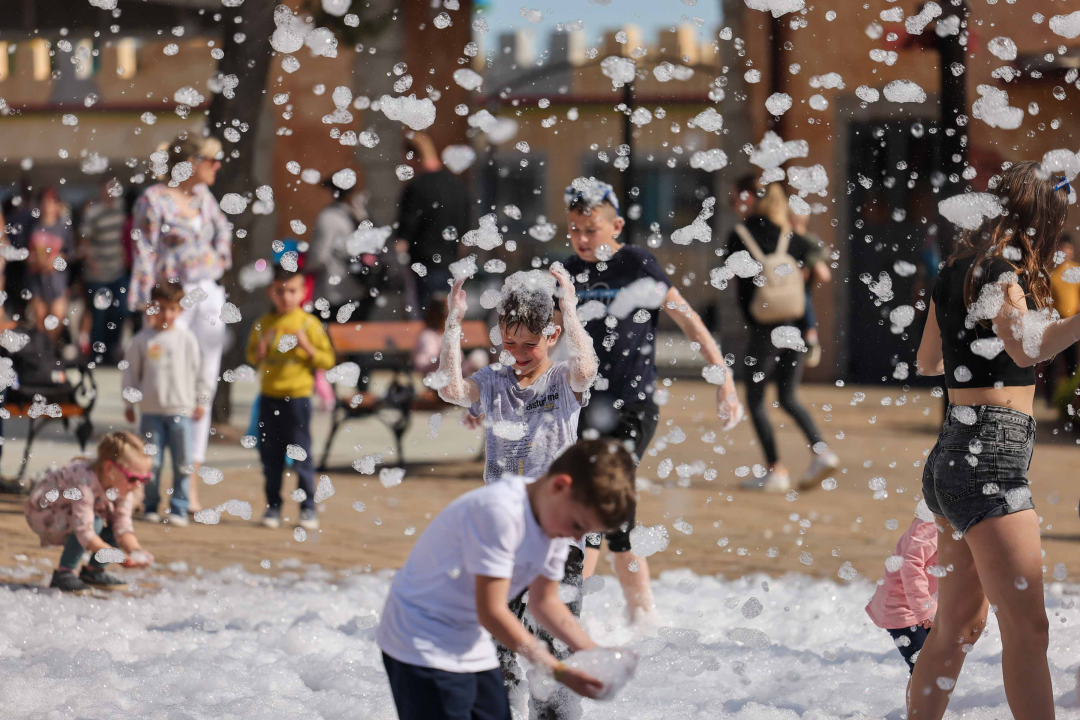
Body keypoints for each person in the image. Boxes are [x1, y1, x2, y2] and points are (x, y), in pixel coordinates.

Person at [911, 162, 1079, 720]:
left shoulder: (958, 267)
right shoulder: (1001, 271)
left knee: (961, 622)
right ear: (1040, 220)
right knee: (1028, 627)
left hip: (952, 457)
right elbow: (1030, 349)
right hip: (992, 461)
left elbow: (928, 360)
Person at [559, 178, 743, 621]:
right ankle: (641, 619)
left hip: (632, 406)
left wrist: (724, 377)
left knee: (594, 499)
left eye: (591, 229)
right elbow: (546, 341)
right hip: (583, 408)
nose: (582, 240)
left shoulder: (637, 264)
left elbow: (688, 319)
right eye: (574, 230)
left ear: (616, 225)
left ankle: (568, 615)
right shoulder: (566, 272)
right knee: (614, 513)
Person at [376, 438, 636, 720]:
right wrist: (556, 669)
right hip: (421, 639)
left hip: (468, 635)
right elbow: (492, 611)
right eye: (577, 527)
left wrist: (593, 653)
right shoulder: (500, 513)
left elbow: (545, 602)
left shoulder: (555, 523)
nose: (576, 538)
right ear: (560, 486)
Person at [130, 132, 230, 512]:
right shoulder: (153, 199)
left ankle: (189, 484)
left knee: (203, 383)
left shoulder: (205, 198)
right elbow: (142, 253)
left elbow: (222, 234)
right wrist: (147, 305)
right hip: (172, 300)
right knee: (160, 382)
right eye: (210, 159)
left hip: (207, 296)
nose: (217, 166)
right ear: (190, 162)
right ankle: (146, 481)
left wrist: (215, 264)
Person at [727, 180, 838, 494]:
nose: (733, 203)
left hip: (764, 329)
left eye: (734, 197)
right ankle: (823, 452)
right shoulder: (793, 238)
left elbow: (733, 281)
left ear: (749, 199)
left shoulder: (740, 235)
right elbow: (817, 273)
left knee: (754, 399)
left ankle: (775, 469)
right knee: (788, 396)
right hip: (796, 327)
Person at [247, 265, 335, 531]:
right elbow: (251, 356)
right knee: (270, 456)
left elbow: (327, 359)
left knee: (302, 455)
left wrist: (308, 348)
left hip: (297, 400)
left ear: (303, 292)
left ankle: (308, 508)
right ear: (270, 292)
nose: (285, 297)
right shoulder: (263, 323)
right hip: (268, 397)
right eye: (280, 291)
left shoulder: (308, 324)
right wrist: (260, 350)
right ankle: (273, 506)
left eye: (292, 291)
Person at [122, 282, 209, 526]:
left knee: (183, 463)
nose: (166, 314)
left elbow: (200, 373)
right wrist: (129, 403)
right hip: (150, 411)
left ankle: (179, 507)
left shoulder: (187, 339)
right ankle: (151, 505)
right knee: (153, 463)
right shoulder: (142, 340)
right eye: (160, 308)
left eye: (172, 309)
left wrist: (201, 400)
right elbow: (130, 374)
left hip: (181, 410)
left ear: (180, 310)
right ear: (150, 308)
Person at [24, 431, 155, 593]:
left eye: (145, 479)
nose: (138, 485)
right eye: (133, 478)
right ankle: (64, 573)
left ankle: (94, 572)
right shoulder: (84, 481)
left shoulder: (123, 487)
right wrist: (113, 555)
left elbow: (123, 525)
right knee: (96, 521)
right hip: (44, 513)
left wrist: (136, 550)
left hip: (73, 515)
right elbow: (84, 529)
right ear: (109, 469)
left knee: (110, 522)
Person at [395, 132, 472, 314]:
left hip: (422, 270)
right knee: (448, 322)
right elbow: (465, 237)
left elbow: (403, 238)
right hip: (452, 268)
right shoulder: (458, 186)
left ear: (411, 155)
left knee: (425, 323)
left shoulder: (416, 188)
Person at [865, 508, 938, 674]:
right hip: (902, 607)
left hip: (927, 603)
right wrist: (924, 608)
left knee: (937, 666)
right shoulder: (934, 520)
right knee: (924, 670)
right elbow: (910, 563)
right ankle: (920, 699)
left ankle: (934, 699)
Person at [309, 176, 384, 322]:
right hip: (360, 288)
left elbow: (318, 257)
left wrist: (301, 269)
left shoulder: (328, 217)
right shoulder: (360, 214)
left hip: (334, 291)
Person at [77, 178, 130, 364]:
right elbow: (84, 240)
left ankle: (112, 349)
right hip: (97, 273)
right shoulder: (93, 213)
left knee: (120, 311)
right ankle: (98, 354)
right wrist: (92, 263)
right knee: (98, 315)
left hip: (117, 270)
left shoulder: (121, 209)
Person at [26, 187, 74, 338]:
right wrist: (33, 259)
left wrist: (57, 259)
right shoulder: (33, 226)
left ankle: (50, 350)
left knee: (57, 317)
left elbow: (70, 253)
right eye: (44, 202)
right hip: (37, 279)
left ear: (58, 205)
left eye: (52, 202)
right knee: (40, 318)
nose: (48, 206)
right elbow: (24, 251)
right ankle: (42, 354)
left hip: (57, 280)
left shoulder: (64, 228)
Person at [789, 210, 831, 368]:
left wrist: (808, 267)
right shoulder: (809, 240)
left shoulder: (805, 241)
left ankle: (811, 337)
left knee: (803, 299)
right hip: (796, 295)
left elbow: (823, 273)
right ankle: (810, 337)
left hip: (795, 294)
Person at [1047, 233, 1079, 405]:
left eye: (1069, 248)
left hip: (1073, 325)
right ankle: (1051, 402)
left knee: (1072, 365)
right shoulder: (1052, 274)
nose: (1066, 252)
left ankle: (1070, 400)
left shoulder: (1077, 271)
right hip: (1056, 325)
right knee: (1052, 364)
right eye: (1062, 248)